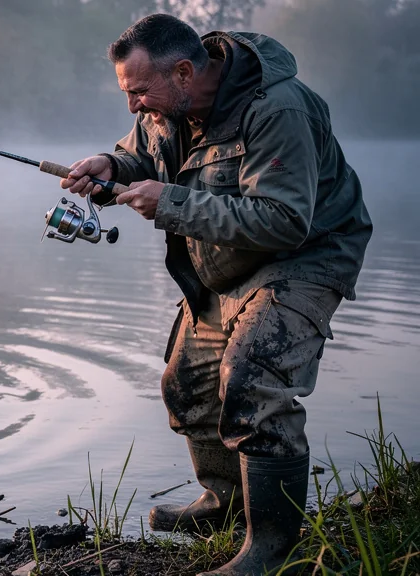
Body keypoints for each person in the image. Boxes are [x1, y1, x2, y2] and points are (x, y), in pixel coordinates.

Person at [61, 13, 372, 576]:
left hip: (304, 257)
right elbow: (141, 152)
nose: (133, 105)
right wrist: (110, 165)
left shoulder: (278, 109)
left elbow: (284, 221)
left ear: (184, 71)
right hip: (225, 263)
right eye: (126, 93)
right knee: (187, 387)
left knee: (251, 381)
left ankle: (272, 549)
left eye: (138, 92)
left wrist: (173, 204)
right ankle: (224, 504)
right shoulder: (169, 104)